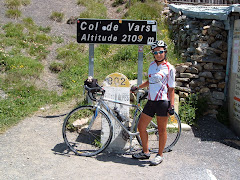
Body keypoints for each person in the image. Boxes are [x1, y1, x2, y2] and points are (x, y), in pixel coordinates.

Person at [131, 40, 175, 166]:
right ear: (153, 54)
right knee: (141, 127)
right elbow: (149, 81)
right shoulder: (151, 65)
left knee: (161, 130)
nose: (158, 54)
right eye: (156, 52)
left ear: (165, 52)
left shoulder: (169, 68)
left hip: (162, 102)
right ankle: (145, 152)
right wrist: (138, 87)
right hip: (151, 101)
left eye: (161, 51)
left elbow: (171, 89)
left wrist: (172, 106)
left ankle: (160, 155)